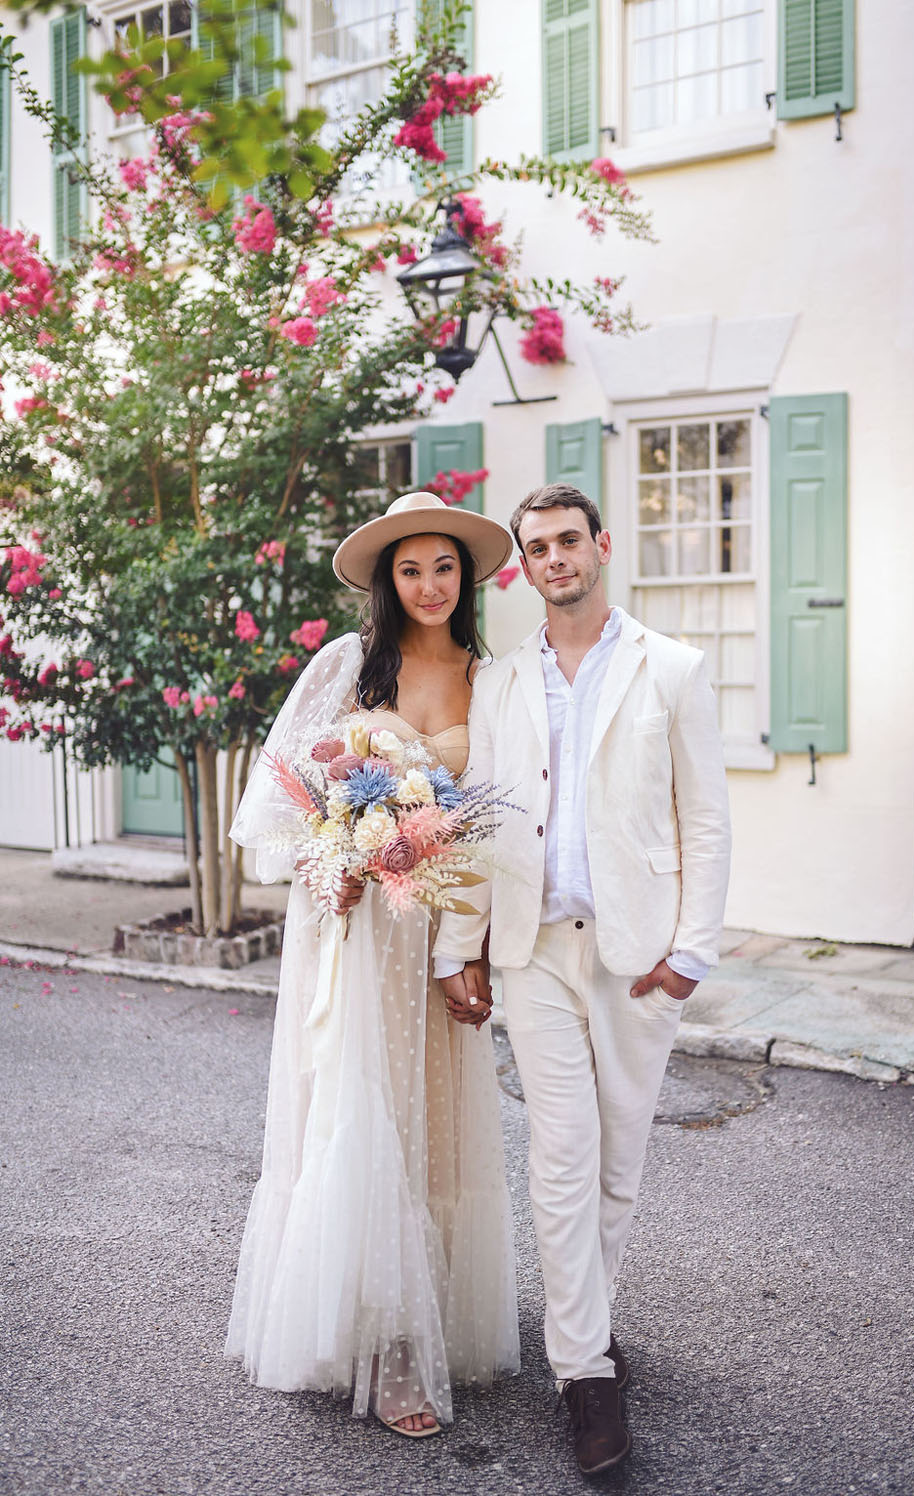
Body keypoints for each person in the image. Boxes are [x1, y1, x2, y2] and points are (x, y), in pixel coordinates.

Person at [435, 482, 731, 1475]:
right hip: (533, 951)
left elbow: (705, 818)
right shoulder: (500, 682)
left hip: (637, 954)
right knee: (562, 1158)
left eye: (568, 539)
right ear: (523, 565)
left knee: (617, 1166)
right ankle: (584, 1373)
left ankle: (585, 1325)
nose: (555, 557)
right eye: (537, 546)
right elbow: (479, 820)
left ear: (600, 545)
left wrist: (691, 952)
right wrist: (457, 945)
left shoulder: (672, 669)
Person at [226, 491, 519, 1438]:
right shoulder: (350, 667)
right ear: (389, 581)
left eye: (445, 567)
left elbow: (499, 833)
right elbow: (274, 811)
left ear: (465, 577)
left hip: (435, 938)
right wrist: (333, 866)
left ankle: (426, 1319)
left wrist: (473, 951)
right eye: (411, 569)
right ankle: (389, 1350)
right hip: (354, 937)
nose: (430, 585)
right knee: (365, 1117)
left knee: (432, 1126)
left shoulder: (492, 681)